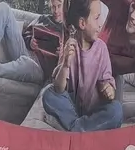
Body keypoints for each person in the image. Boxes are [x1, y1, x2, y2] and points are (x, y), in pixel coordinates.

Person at [40, 0, 124, 132]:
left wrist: (109, 90)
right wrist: (66, 64)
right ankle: (82, 128)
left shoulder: (101, 49)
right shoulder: (70, 46)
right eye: (96, 18)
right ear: (82, 23)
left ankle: (74, 127)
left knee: (116, 110)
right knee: (48, 94)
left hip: (93, 111)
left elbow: (108, 84)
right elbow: (59, 88)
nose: (100, 23)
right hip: (71, 107)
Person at [0, 0, 67, 84]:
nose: (56, 11)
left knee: (28, 65)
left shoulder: (69, 30)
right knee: (3, 7)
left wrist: (62, 55)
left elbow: (68, 66)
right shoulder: (42, 19)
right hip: (26, 53)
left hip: (39, 70)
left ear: (65, 5)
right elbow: (26, 33)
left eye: (59, 6)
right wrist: (30, 41)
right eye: (53, 6)